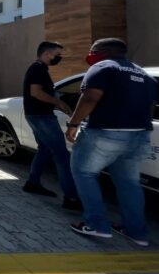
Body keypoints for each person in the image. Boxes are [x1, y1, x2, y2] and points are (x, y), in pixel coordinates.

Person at [66, 38, 158, 246]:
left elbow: (90, 98)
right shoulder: (144, 74)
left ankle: (96, 224)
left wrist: (73, 124)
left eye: (93, 50)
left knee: (84, 173)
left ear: (104, 51)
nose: (90, 54)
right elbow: (151, 103)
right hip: (139, 135)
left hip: (105, 133)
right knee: (129, 183)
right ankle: (136, 232)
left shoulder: (103, 67)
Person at [21, 41, 82, 211]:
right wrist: (58, 102)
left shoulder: (39, 69)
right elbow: (36, 92)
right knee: (61, 155)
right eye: (58, 54)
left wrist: (60, 101)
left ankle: (33, 183)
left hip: (37, 115)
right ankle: (71, 198)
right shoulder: (38, 68)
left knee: (45, 149)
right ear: (47, 54)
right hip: (42, 117)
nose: (59, 58)